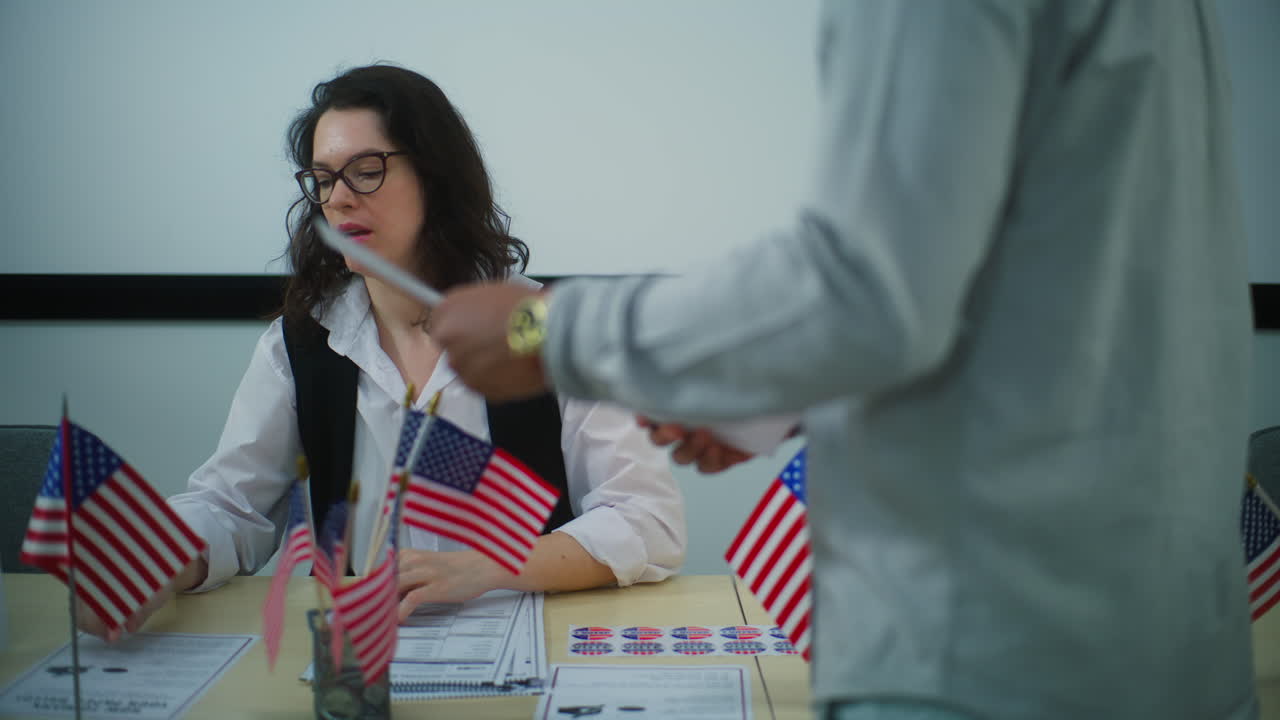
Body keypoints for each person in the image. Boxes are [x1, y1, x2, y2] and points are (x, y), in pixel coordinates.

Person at [429, 2, 1258, 719]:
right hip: (1160, 637)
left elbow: (872, 290)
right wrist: (772, 397)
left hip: (988, 655)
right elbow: (1038, 275)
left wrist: (549, 333)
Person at [80, 64, 685, 640]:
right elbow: (232, 506)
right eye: (321, 179)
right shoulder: (300, 344)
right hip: (358, 662)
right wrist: (155, 555)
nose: (338, 199)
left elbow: (648, 521)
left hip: (527, 651)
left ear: (436, 177)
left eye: (365, 169)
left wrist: (491, 565)